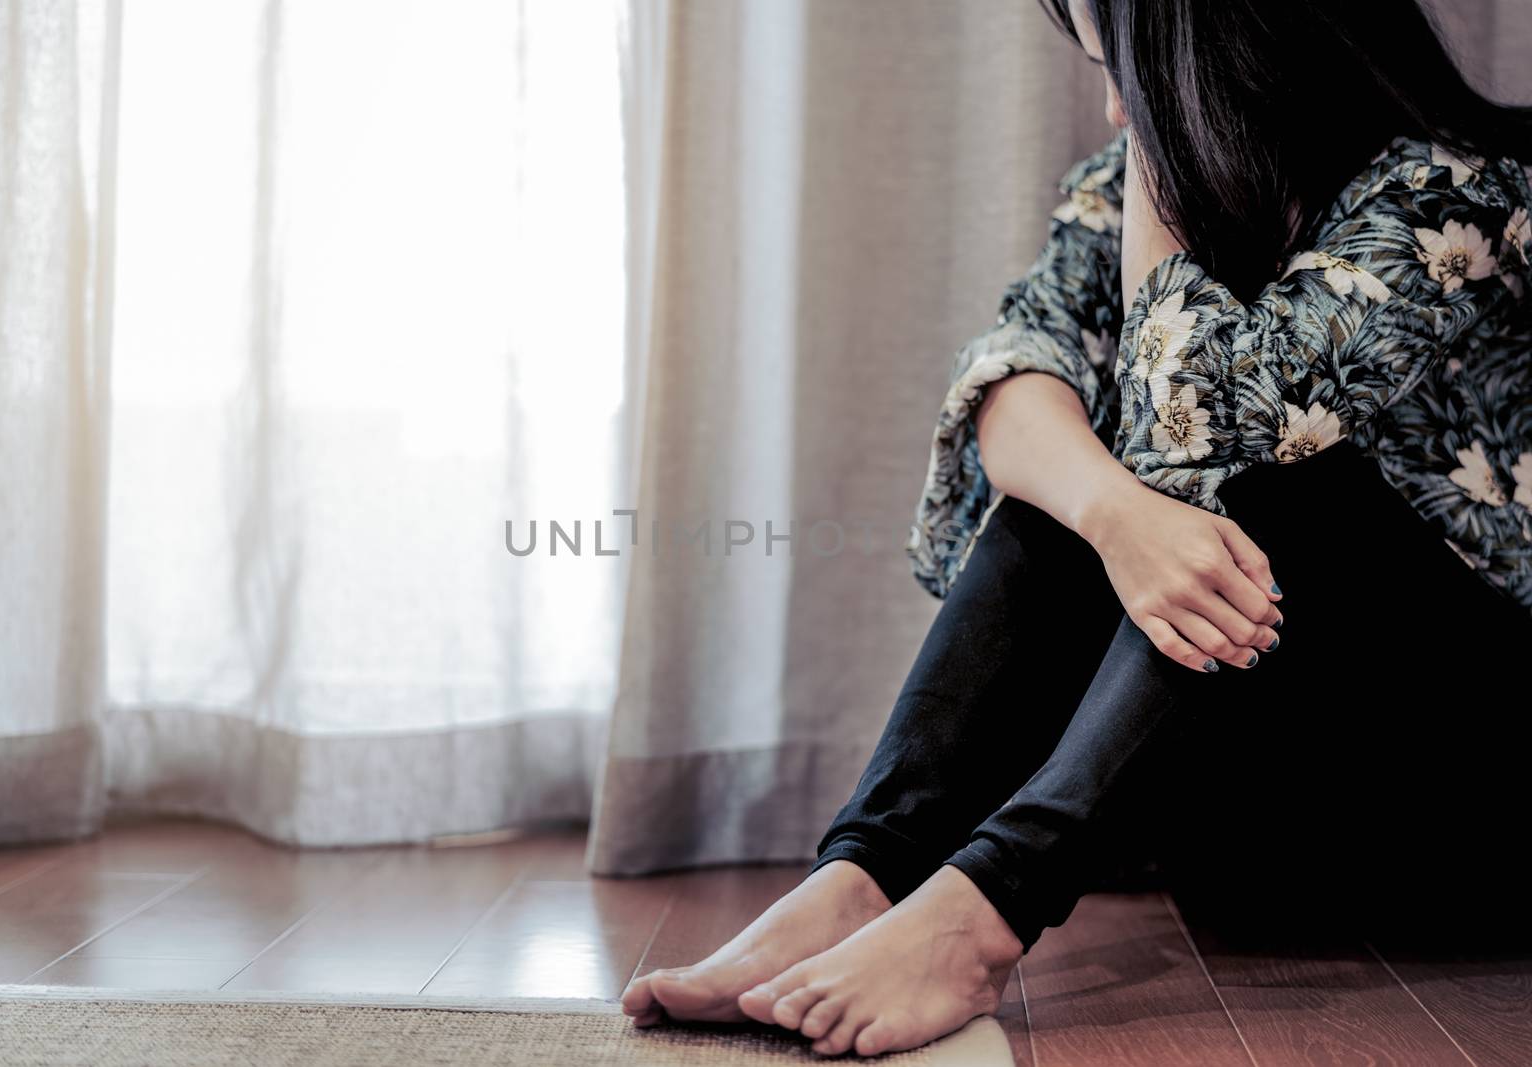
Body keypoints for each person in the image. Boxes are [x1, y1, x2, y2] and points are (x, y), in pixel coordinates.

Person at [621, 0, 1532, 1057]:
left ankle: (978, 913)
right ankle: (859, 877)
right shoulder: (1119, 189)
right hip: (1267, 822)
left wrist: (1159, 152)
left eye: (1123, 66)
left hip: (1462, 801)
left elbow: (1210, 412)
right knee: (1076, 492)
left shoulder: (1456, 188)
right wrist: (1113, 516)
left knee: (1261, 483)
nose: (1110, 103)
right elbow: (1008, 383)